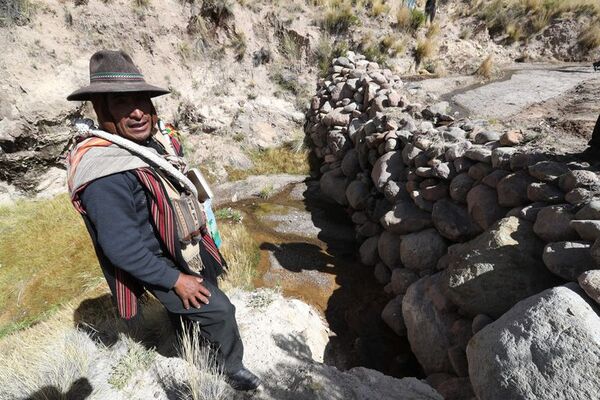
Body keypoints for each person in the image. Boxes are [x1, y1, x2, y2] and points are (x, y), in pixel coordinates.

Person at [65, 50, 261, 391]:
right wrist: (175, 281)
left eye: (143, 100)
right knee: (219, 310)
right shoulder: (104, 174)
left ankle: (189, 335)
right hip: (159, 261)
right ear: (101, 109)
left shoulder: (144, 145)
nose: (138, 111)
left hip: (185, 246)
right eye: (122, 102)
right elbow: (122, 248)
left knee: (203, 294)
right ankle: (232, 367)